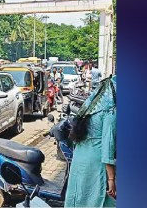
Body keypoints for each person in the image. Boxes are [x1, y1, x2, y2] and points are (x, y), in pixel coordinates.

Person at [65, 75, 117, 207]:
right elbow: (108, 146)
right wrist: (111, 178)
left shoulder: (92, 107)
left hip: (80, 159)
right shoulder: (110, 110)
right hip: (96, 162)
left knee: (79, 198)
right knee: (97, 199)